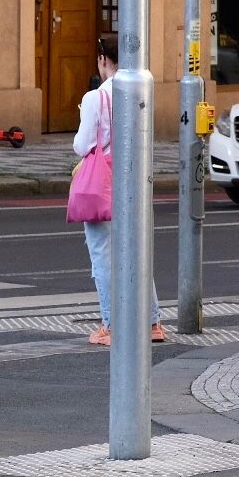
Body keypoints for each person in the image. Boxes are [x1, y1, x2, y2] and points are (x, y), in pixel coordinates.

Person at [74, 36, 167, 347]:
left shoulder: (95, 98)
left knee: (104, 254)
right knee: (138, 252)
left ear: (103, 59)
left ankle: (111, 324)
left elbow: (83, 145)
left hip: (104, 183)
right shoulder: (142, 89)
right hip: (135, 178)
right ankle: (153, 322)